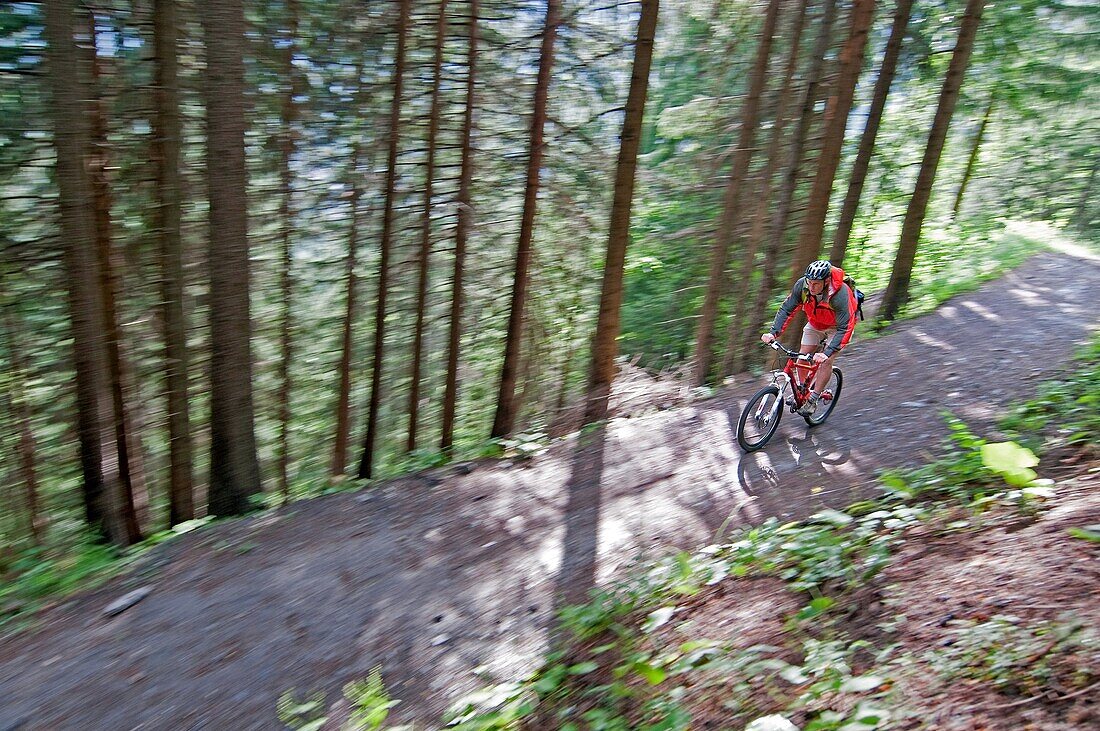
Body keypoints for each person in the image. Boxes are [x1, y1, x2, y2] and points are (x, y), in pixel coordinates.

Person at [761, 259, 857, 415]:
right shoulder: (802, 286)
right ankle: (802, 391)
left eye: (816, 284)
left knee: (826, 361)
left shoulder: (840, 294)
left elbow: (846, 327)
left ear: (826, 281)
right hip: (816, 323)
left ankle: (813, 399)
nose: (811, 287)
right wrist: (773, 333)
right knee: (802, 357)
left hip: (838, 328)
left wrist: (826, 353)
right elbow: (786, 309)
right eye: (809, 282)